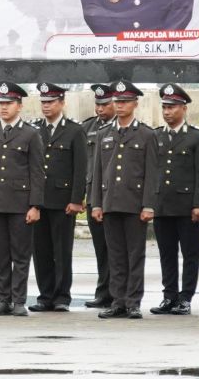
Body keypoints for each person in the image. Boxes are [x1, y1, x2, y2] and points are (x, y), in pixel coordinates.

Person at [91, 80, 159, 319]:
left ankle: (133, 302)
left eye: (124, 101)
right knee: (115, 255)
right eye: (117, 101)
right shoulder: (104, 133)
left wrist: (148, 204)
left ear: (135, 103)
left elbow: (152, 173)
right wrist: (97, 203)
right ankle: (118, 300)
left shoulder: (146, 134)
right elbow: (98, 171)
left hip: (134, 203)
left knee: (134, 255)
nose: (119, 105)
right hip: (110, 202)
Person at [0, 82, 44, 317]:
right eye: (0, 104)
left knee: (21, 255)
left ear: (19, 105)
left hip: (20, 203)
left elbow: (37, 172)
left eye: (8, 103)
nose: (3, 108)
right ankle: (4, 299)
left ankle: (18, 301)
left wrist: (35, 205)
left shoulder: (30, 133)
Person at [150, 83, 199, 316]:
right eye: (164, 107)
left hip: (187, 207)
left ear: (184, 108)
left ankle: (186, 298)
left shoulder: (197, 137)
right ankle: (169, 296)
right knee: (167, 254)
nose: (167, 112)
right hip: (162, 205)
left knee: (190, 254)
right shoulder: (156, 136)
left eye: (172, 107)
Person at [29, 81, 87, 312]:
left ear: (62, 103)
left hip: (63, 200)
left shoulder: (74, 131)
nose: (46, 106)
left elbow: (80, 168)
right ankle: (45, 295)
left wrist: (76, 199)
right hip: (39, 200)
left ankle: (62, 296)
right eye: (43, 102)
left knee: (62, 250)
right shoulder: (34, 130)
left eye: (51, 102)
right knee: (40, 250)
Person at [82, 82, 116, 308]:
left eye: (105, 104)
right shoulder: (87, 128)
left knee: (116, 248)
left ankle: (118, 293)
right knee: (101, 249)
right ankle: (103, 292)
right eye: (98, 104)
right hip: (93, 195)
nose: (100, 109)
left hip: (115, 196)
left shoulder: (122, 128)